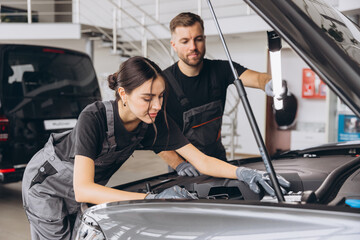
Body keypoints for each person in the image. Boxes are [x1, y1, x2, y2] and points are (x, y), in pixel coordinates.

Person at [22, 56, 289, 240]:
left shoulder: (152, 121)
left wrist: (242, 173)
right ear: (123, 94)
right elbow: (84, 188)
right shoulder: (93, 117)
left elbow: (202, 161)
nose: (157, 106)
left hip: (84, 188)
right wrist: (153, 200)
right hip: (47, 186)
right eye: (148, 98)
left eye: (161, 96)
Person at [161, 12, 279, 177]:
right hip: (185, 167)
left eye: (198, 39)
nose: (193, 47)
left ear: (204, 39)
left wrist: (271, 83)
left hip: (217, 156)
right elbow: (155, 134)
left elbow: (258, 78)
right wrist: (178, 164)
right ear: (174, 45)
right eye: (185, 41)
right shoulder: (163, 84)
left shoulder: (221, 70)